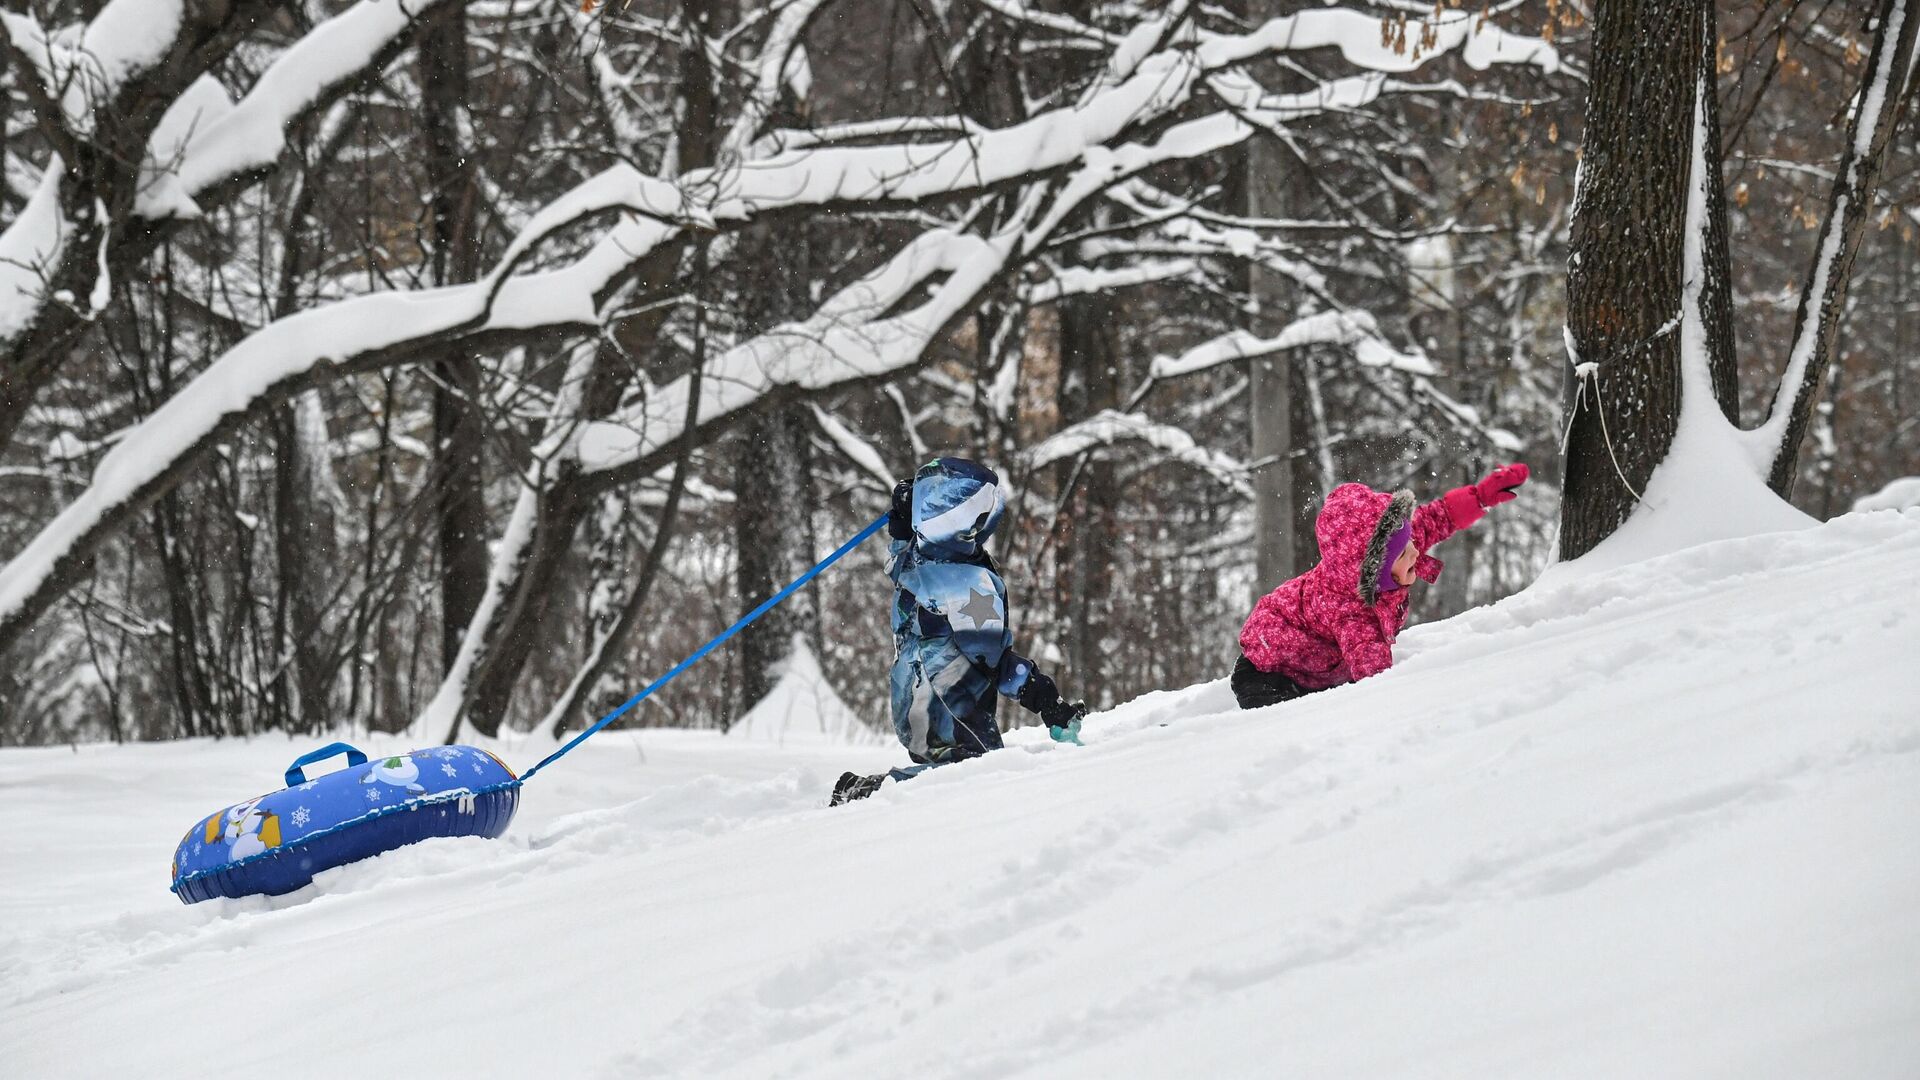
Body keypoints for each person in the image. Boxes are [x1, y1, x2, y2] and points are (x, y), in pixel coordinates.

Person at [832, 457, 1087, 805]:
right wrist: (1046, 700)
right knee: (978, 770)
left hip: (912, 697)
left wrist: (902, 524)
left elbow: (899, 556)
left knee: (955, 770)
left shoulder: (918, 564)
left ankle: (887, 798)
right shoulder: (970, 585)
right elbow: (994, 662)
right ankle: (868, 792)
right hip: (949, 704)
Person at [1233, 463, 1530, 709]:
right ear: (1377, 571)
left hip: (1309, 653)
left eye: (1410, 542)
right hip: (1267, 672)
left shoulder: (1395, 550)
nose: (1415, 551)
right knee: (1296, 719)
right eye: (1403, 553)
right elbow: (1376, 683)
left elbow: (1438, 518)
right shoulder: (1354, 615)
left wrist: (1480, 496)